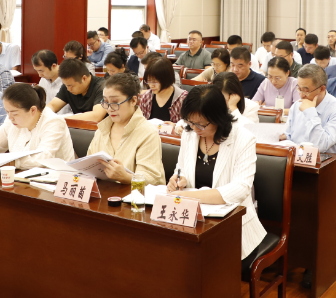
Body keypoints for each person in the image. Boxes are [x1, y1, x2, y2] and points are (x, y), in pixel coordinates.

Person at [167, 85, 268, 260]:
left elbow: (241, 189)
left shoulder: (243, 138)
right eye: (190, 122)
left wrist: (190, 196)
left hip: (233, 229)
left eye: (201, 124)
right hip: (193, 222)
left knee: (203, 264)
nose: (195, 128)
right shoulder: (189, 133)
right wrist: (179, 179)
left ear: (218, 117)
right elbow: (180, 168)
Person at [0, 84, 75, 170]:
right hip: (22, 178)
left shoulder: (54, 122)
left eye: (14, 113)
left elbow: (43, 158)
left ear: (33, 110)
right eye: (7, 112)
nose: (10, 117)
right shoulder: (11, 121)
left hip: (56, 180)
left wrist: (4, 163)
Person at [281, 64, 336, 195]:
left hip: (329, 171)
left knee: (304, 196)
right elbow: (289, 137)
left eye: (306, 90)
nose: (301, 95)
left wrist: (310, 112)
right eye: (299, 88)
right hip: (297, 166)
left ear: (322, 88)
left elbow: (320, 146)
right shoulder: (296, 106)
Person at [87, 73, 165, 185]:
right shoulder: (102, 129)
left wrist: (125, 177)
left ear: (133, 101)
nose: (109, 109)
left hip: (134, 194)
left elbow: (151, 179)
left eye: (115, 102)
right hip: (105, 191)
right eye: (106, 102)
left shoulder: (148, 132)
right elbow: (89, 165)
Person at [139, 57, 187, 123]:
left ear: (166, 79)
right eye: (149, 81)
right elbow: (140, 121)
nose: (151, 85)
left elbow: (189, 125)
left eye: (155, 82)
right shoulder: (146, 97)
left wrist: (176, 126)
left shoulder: (183, 99)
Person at [31, 50, 69, 116]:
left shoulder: (69, 79)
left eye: (41, 71)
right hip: (47, 117)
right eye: (37, 71)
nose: (40, 75)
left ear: (53, 66)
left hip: (66, 118)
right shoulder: (43, 79)